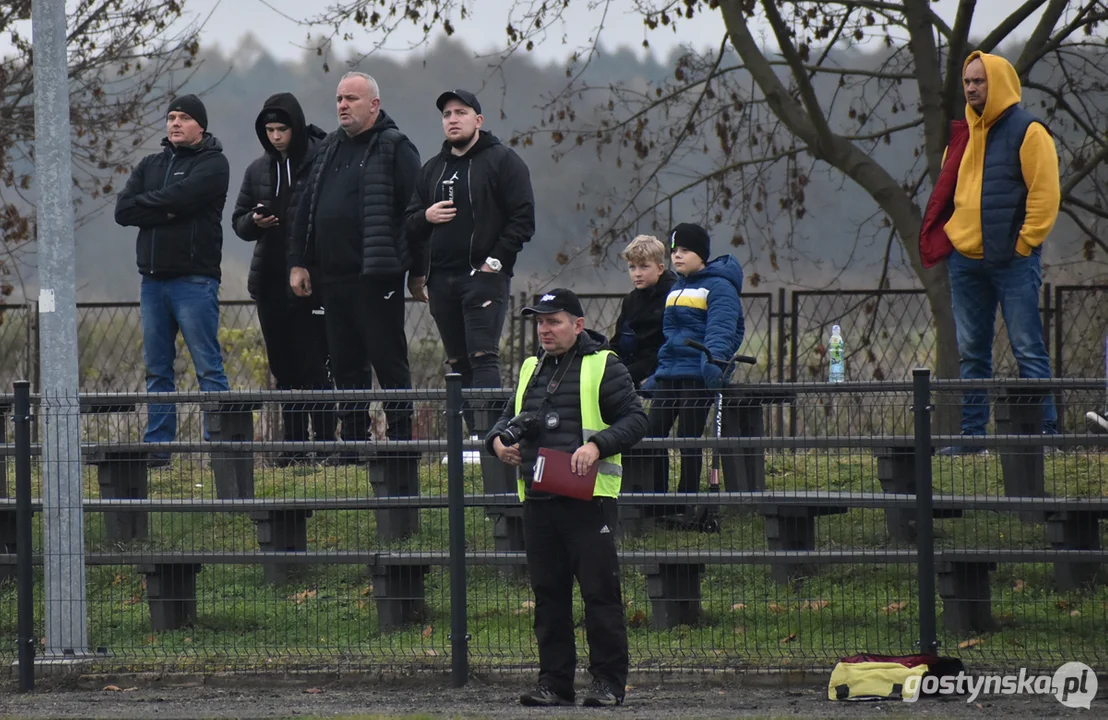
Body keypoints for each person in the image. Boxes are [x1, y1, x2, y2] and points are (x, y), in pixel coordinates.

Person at [485, 288, 648, 707]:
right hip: (539, 500)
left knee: (600, 595)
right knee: (549, 596)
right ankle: (554, 684)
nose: (545, 329)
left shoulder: (603, 365)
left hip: (588, 499)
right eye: (540, 322)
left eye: (554, 321)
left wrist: (597, 446)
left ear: (578, 324)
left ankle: (608, 684)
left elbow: (636, 418)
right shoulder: (529, 368)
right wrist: (497, 444)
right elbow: (506, 418)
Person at [921, 51, 1060, 453]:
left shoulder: (1029, 131)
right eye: (967, 81)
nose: (971, 87)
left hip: (1013, 260)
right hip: (965, 260)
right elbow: (949, 194)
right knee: (972, 353)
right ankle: (972, 437)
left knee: (1028, 347)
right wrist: (952, 240)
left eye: (979, 81)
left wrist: (1024, 242)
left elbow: (1046, 195)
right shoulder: (962, 135)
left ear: (997, 82)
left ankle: (1048, 434)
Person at [286, 72, 421, 457]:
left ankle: (401, 444)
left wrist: (419, 270)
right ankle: (354, 446)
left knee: (388, 361)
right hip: (333, 277)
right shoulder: (329, 147)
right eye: (339, 98)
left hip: (378, 276)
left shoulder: (395, 147)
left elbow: (417, 212)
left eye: (352, 99)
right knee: (345, 366)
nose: (343, 105)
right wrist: (298, 262)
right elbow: (306, 210)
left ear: (374, 105)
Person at [404, 89, 535, 435]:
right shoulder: (431, 169)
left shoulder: (503, 161)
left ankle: (493, 440)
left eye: (460, 112)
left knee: (482, 357)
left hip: (483, 277)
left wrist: (495, 261)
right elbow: (408, 223)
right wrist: (426, 216)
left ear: (478, 120)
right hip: (440, 281)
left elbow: (523, 219)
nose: (452, 119)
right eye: (446, 114)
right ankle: (474, 439)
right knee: (457, 363)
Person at [114, 94, 231, 466]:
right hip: (152, 283)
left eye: (183, 117)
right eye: (170, 117)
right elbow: (122, 210)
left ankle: (222, 448)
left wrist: (153, 207)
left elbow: (187, 196)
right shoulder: (150, 163)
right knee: (157, 370)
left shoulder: (214, 164)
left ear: (201, 125)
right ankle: (158, 450)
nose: (175, 123)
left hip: (194, 282)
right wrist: (167, 208)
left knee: (208, 368)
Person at [232, 92, 335, 465]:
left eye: (282, 129)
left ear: (296, 127)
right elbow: (239, 221)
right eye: (270, 130)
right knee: (285, 369)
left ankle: (325, 446)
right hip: (270, 281)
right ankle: (293, 448)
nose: (276, 137)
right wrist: (254, 222)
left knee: (316, 365)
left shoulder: (320, 160)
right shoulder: (258, 170)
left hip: (311, 281)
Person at [642, 223, 744, 521]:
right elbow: (670, 336)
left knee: (689, 438)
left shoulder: (720, 286)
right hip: (671, 373)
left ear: (701, 254)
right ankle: (659, 501)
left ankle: (687, 500)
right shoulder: (677, 287)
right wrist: (658, 373)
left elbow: (721, 329)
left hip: (698, 374)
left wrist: (714, 363)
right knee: (654, 435)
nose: (677, 256)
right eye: (674, 250)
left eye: (685, 250)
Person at [612, 234, 677, 388]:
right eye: (632, 267)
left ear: (660, 268)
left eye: (644, 266)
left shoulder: (673, 295)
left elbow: (667, 345)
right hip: (629, 366)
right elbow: (618, 341)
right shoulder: (630, 300)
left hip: (662, 369)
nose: (637, 273)